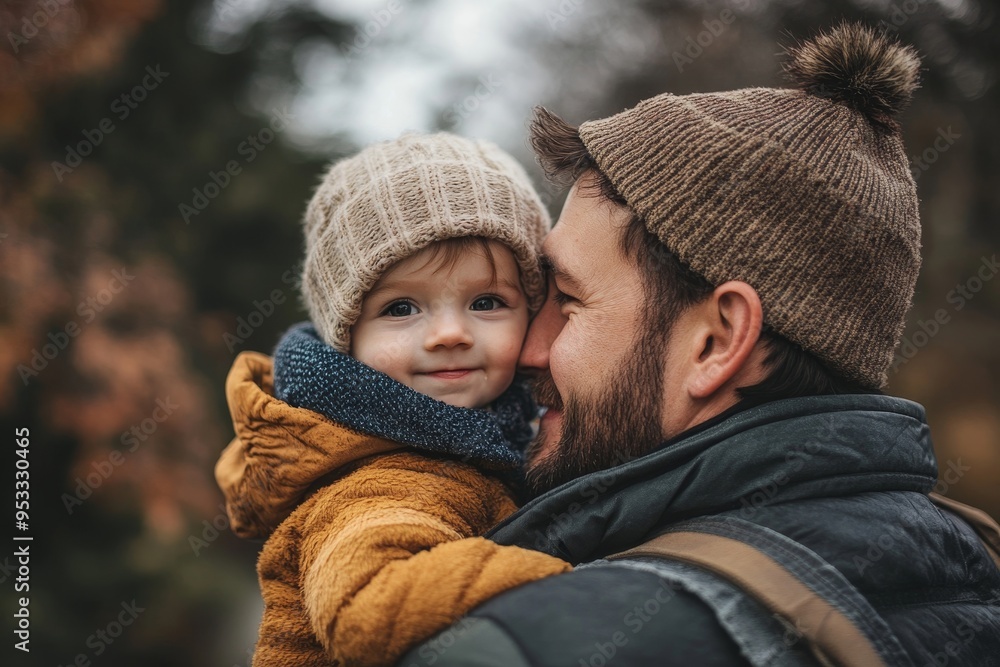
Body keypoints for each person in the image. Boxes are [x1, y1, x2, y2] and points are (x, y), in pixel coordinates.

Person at [402, 23, 1000, 666]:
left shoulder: (540, 644)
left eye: (569, 301)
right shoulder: (975, 566)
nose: (527, 349)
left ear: (717, 341)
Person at [214, 132, 570, 667]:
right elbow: (372, 606)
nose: (449, 333)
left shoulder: (500, 437)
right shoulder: (378, 481)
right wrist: (592, 586)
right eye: (401, 308)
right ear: (347, 336)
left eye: (487, 301)